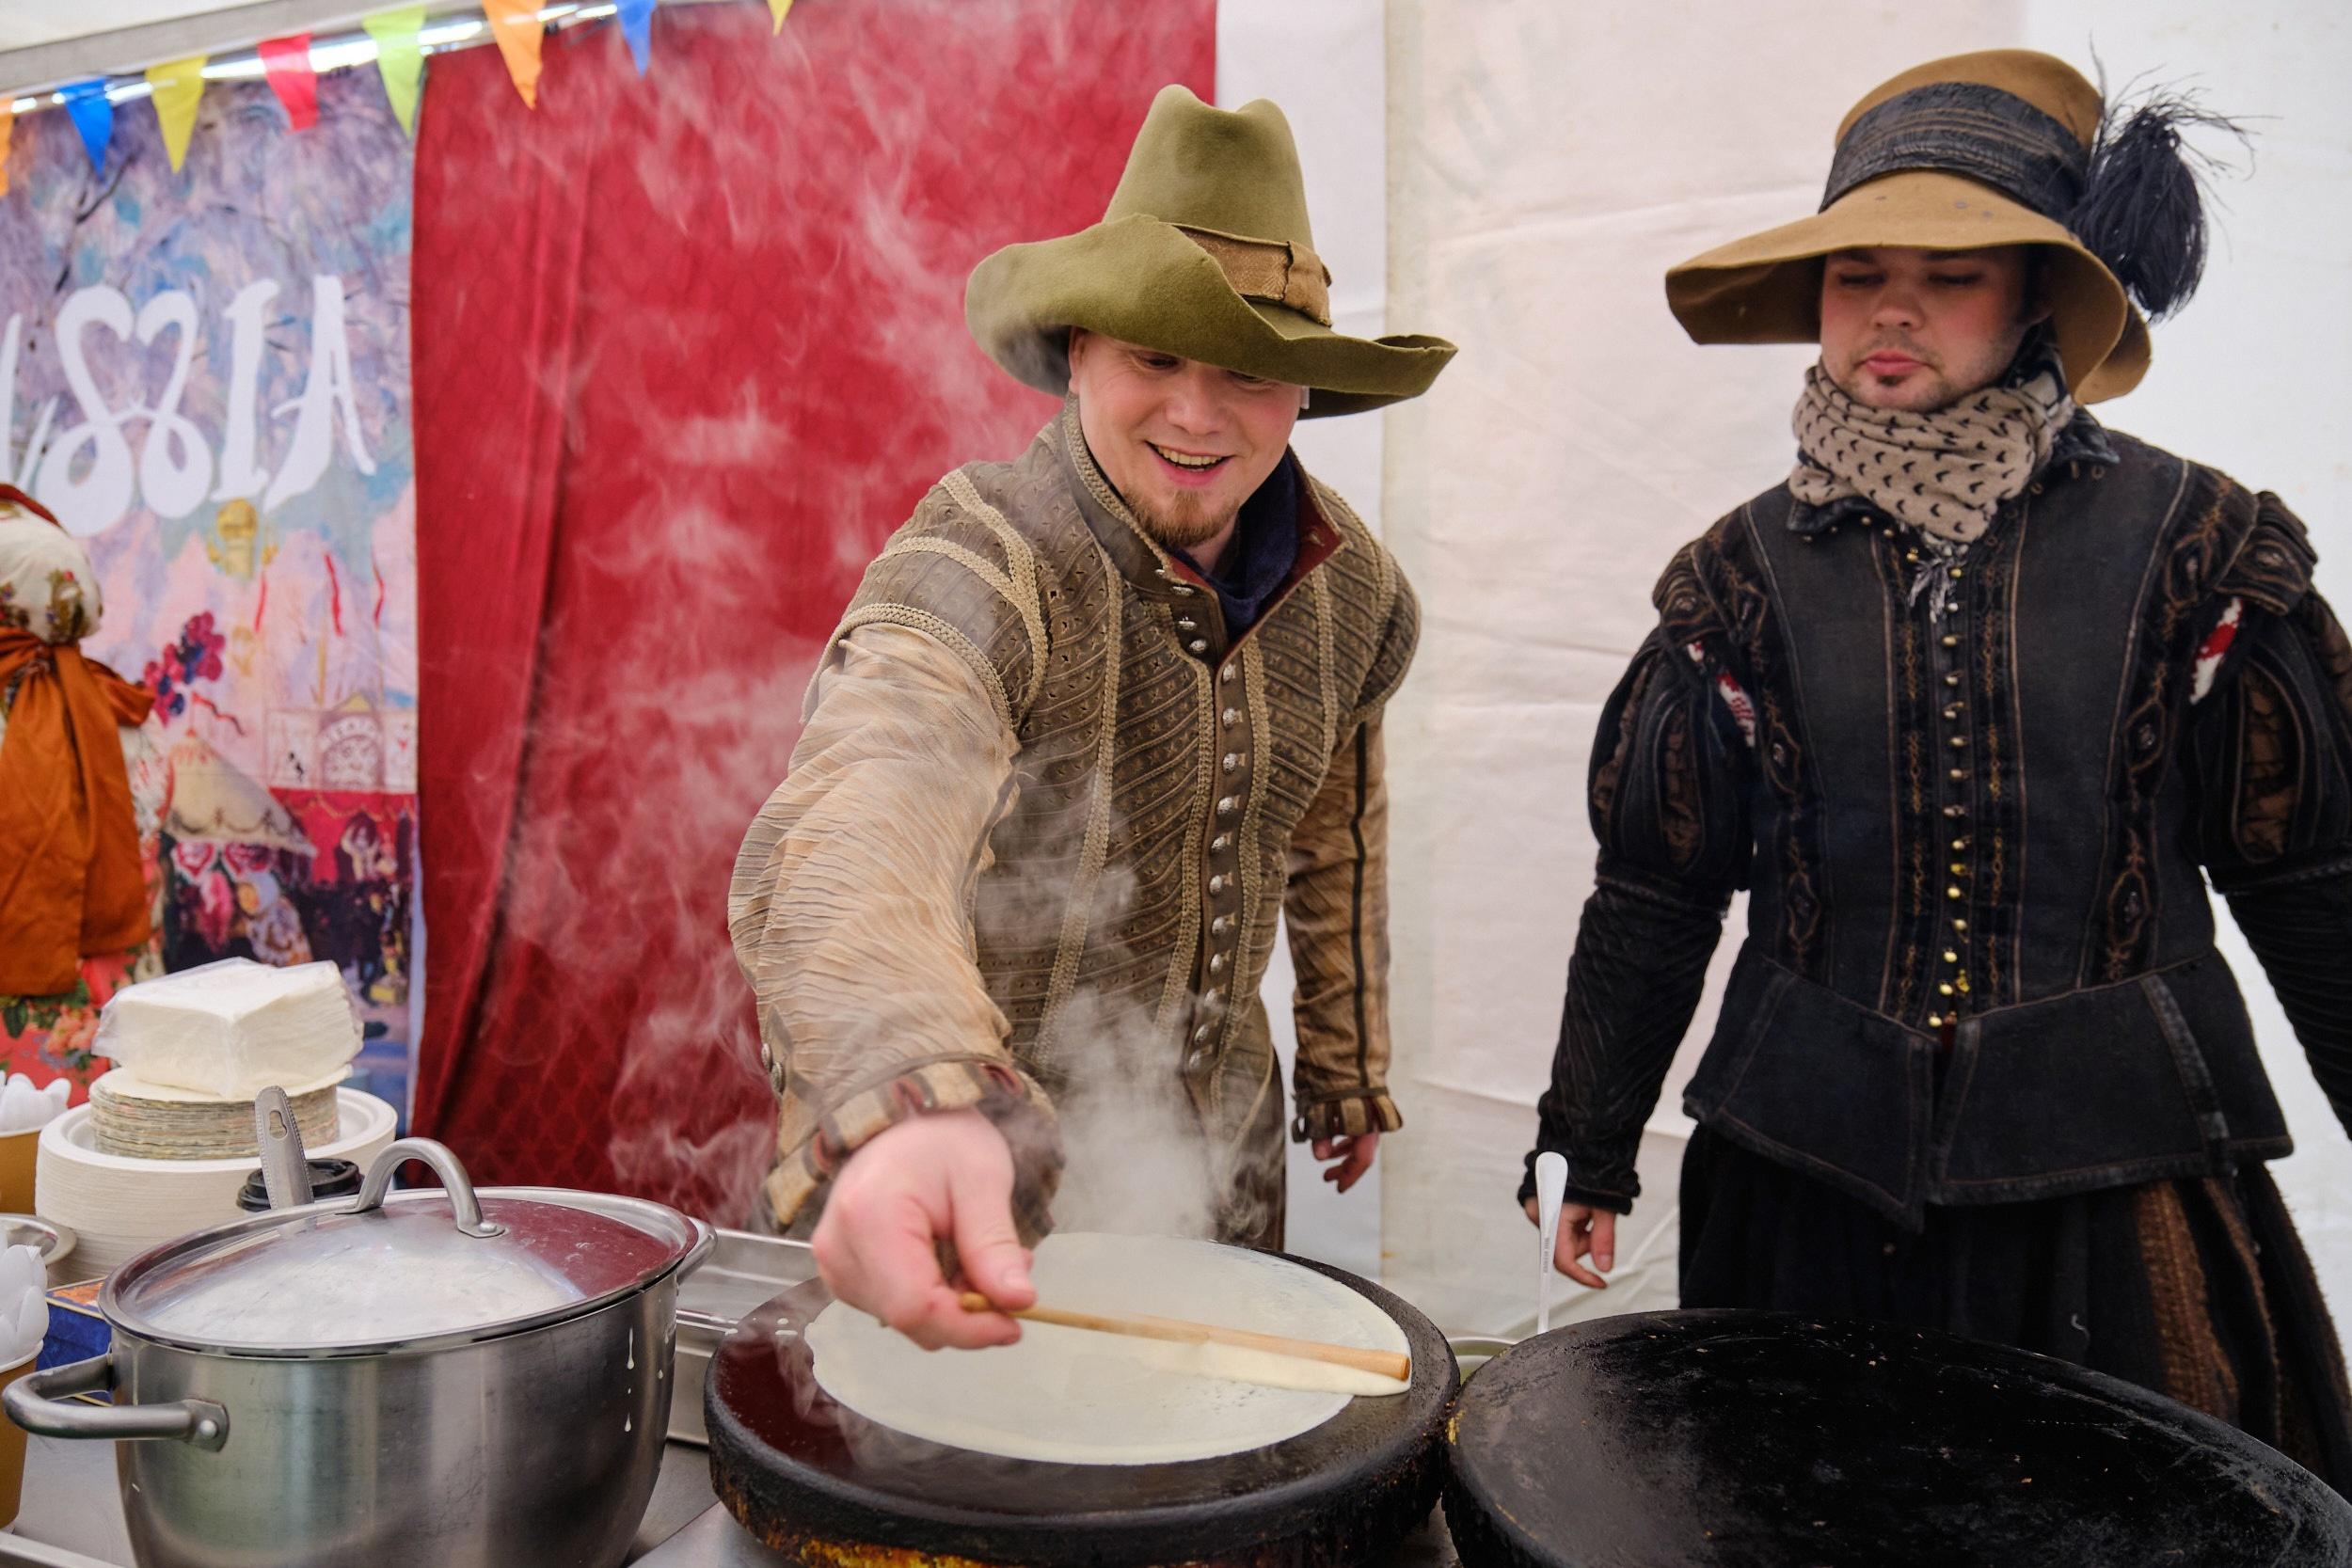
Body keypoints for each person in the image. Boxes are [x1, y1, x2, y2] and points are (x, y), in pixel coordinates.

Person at [1522, 49, 2352, 1482]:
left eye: (1952, 272)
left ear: (2040, 299)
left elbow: (2317, 878)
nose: (1891, 309)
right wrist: (1589, 1141)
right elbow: (1654, 893)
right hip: (1805, 1193)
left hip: (2118, 1205)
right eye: (1857, 272)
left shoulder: (2198, 548)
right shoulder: (1738, 578)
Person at [731, 86, 1454, 1349]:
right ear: (1078, 354)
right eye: (1154, 358)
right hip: (987, 1184)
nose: (1194, 413)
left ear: (1301, 394)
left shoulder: (1357, 594)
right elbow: (865, 806)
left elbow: (1332, 822)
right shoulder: (984, 548)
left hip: (1225, 1169)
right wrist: (917, 1104)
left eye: (1247, 372)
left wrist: (1343, 1060)